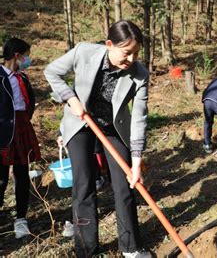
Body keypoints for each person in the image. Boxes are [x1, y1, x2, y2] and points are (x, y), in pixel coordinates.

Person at [44, 20, 151, 258]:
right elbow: (52, 71)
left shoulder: (140, 74)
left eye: (136, 53)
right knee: (84, 186)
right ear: (109, 44)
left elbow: (139, 117)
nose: (131, 59)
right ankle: (86, 250)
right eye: (126, 53)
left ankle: (130, 247)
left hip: (113, 127)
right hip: (80, 123)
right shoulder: (84, 52)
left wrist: (135, 161)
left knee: (125, 185)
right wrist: (70, 98)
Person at [0, 38, 41, 239]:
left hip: (22, 128)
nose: (28, 59)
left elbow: (29, 101)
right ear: (17, 56)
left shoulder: (22, 78)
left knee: (22, 174)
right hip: (3, 133)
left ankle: (21, 218)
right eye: (26, 55)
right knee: (1, 178)